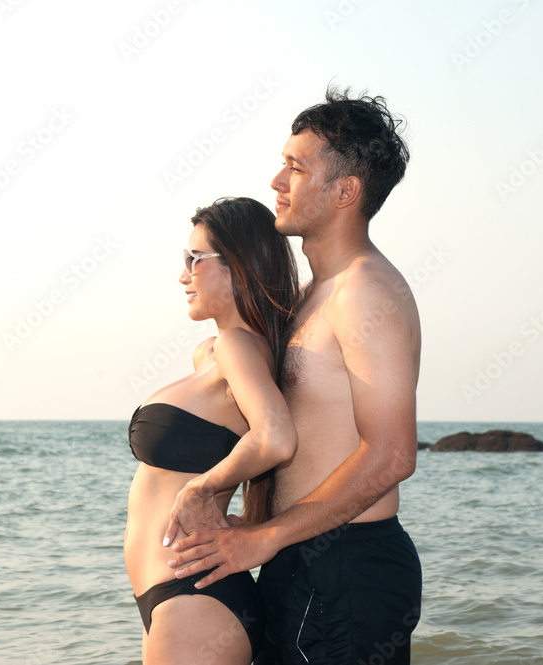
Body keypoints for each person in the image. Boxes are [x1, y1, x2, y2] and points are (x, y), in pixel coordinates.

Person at [165, 88, 422, 665]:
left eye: (296, 167)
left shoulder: (365, 292)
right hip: (300, 558)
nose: (277, 181)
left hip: (347, 567)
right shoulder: (315, 295)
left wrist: (262, 538)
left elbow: (391, 454)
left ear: (345, 192)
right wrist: (248, 525)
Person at [124, 196, 300, 665]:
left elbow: (276, 437)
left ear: (237, 266)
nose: (182, 275)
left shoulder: (239, 347)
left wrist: (202, 489)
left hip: (194, 598)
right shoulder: (213, 352)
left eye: (193, 259)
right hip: (182, 596)